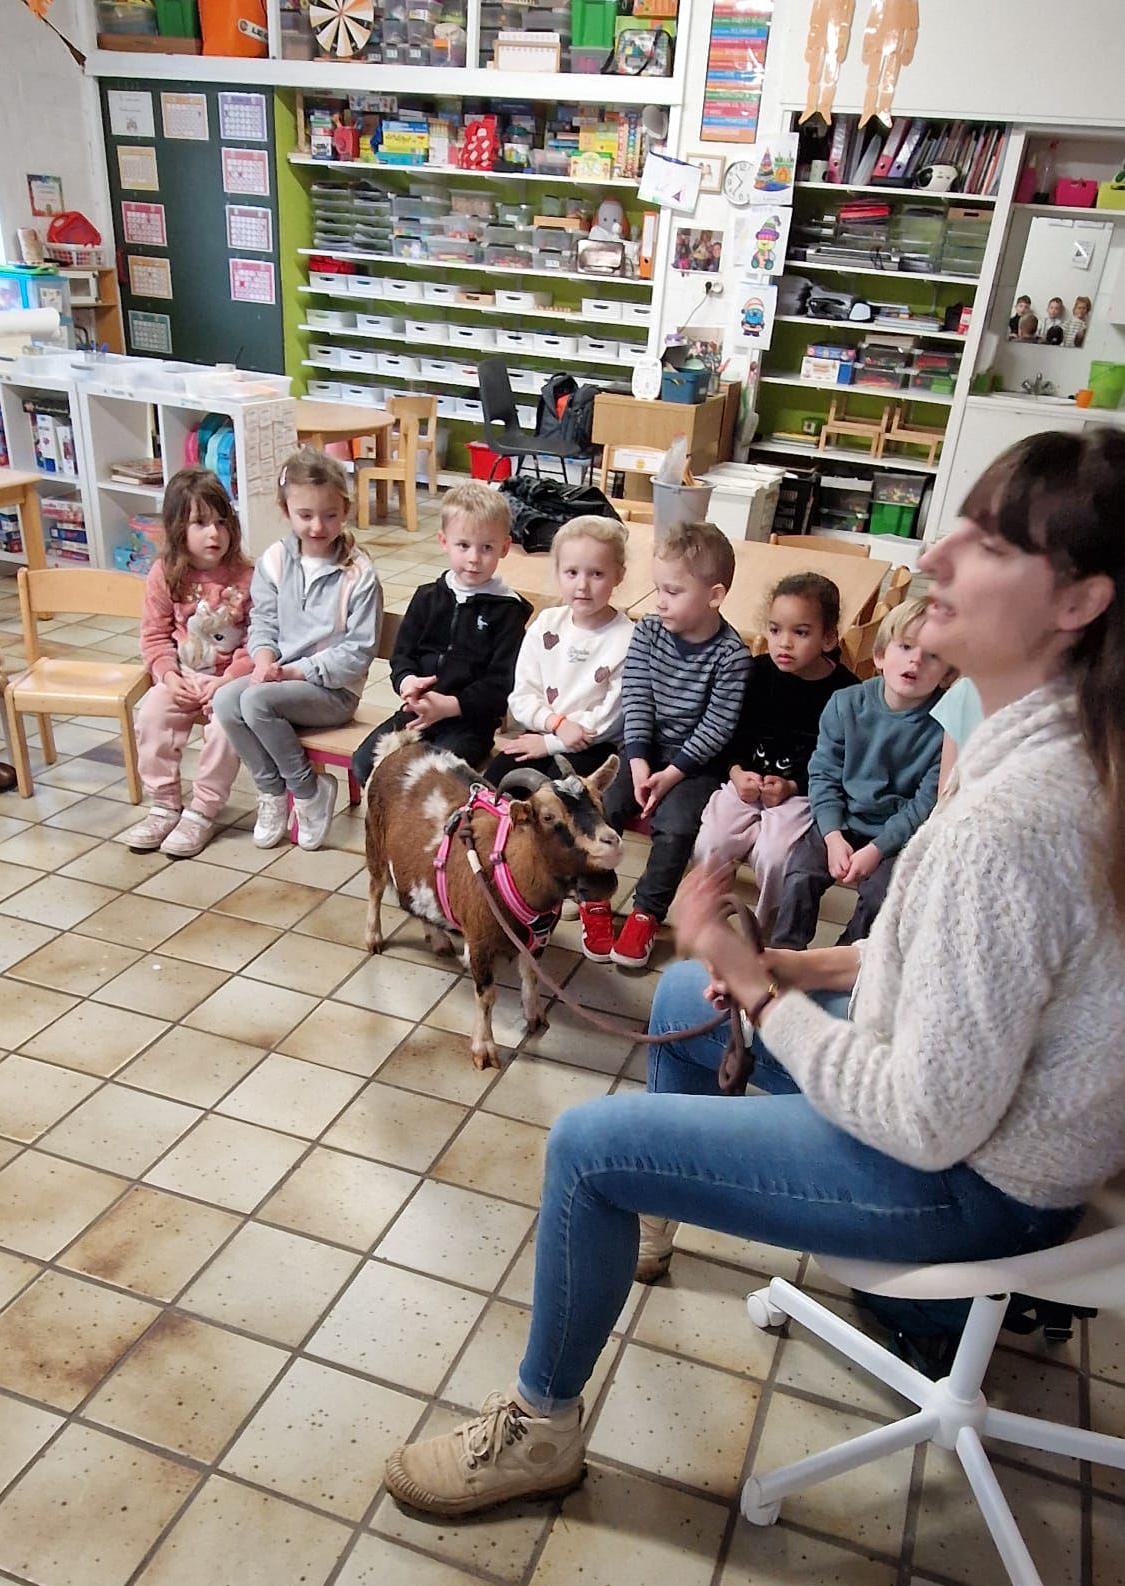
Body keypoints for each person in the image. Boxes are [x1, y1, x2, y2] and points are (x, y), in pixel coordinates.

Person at [383, 425, 1125, 1517]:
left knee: (588, 1148)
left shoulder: (1016, 818)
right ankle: (654, 1216)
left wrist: (768, 991)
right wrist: (779, 960)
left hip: (978, 1186)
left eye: (987, 542)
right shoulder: (1055, 745)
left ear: (1078, 602)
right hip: (984, 1122)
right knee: (688, 991)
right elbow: (948, 958)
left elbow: (923, 1120)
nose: (934, 556)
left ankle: (540, 1430)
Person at [596, 521, 752, 970]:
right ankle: (593, 897)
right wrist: (639, 762)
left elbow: (718, 726)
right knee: (603, 806)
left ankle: (647, 912)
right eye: (657, 588)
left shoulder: (732, 656)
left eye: (673, 591)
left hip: (696, 764)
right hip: (643, 749)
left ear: (714, 595)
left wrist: (672, 774)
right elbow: (636, 697)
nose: (660, 601)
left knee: (678, 826)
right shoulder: (648, 631)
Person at [212, 448, 381, 853]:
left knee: (256, 702)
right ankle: (272, 790)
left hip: (334, 692)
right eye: (305, 515)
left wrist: (291, 672)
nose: (318, 526)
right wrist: (264, 660)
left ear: (345, 511)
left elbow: (357, 652)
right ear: (286, 510)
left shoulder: (359, 573)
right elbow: (263, 622)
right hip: (279, 680)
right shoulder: (274, 561)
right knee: (225, 701)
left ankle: (307, 792)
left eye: (330, 515)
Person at [484, 515, 634, 964]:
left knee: (576, 806)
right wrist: (552, 726)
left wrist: (553, 741)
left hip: (593, 748)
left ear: (619, 575)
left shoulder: (626, 637)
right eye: (571, 572)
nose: (582, 585)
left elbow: (609, 716)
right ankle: (509, 878)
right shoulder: (546, 624)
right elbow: (521, 695)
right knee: (497, 785)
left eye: (597, 573)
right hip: (542, 733)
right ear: (557, 573)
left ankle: (585, 892)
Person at [769, 598, 948, 949]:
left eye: (933, 655)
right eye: (906, 647)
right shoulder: (845, 703)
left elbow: (925, 803)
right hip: (841, 820)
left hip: (897, 836)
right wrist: (832, 835)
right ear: (879, 656)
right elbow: (824, 774)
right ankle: (786, 955)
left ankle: (846, 960)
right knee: (801, 874)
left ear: (949, 673)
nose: (916, 660)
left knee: (883, 897)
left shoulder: (945, 727)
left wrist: (878, 849)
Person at [694, 572, 855, 934]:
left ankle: (765, 934)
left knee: (776, 857)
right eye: (775, 629)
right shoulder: (753, 673)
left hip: (799, 795)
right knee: (712, 841)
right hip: (743, 783)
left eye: (801, 632)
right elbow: (727, 733)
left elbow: (839, 763)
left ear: (829, 637)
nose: (784, 642)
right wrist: (735, 772)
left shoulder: (845, 693)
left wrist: (792, 786)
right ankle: (708, 924)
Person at [350, 481, 530, 787]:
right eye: (463, 545)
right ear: (444, 541)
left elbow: (502, 683)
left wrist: (451, 705)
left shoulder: (508, 611)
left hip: (469, 725)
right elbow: (403, 655)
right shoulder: (428, 597)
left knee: (432, 777)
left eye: (486, 547)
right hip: (416, 712)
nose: (474, 558)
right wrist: (407, 682)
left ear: (504, 547)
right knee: (364, 764)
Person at [125, 469, 254, 857]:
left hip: (232, 683)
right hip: (182, 676)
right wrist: (167, 675)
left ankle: (203, 810)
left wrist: (230, 680)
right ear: (177, 527)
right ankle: (165, 804)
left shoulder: (248, 577)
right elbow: (154, 637)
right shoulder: (164, 575)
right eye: (200, 523)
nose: (214, 533)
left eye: (221, 522)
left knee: (226, 730)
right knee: (151, 716)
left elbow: (259, 640)